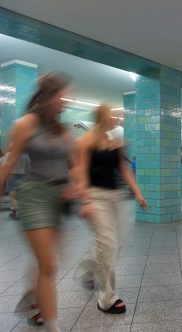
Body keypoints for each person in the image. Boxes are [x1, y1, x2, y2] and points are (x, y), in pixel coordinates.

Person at [0, 73, 76, 332]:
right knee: (49, 265)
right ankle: (52, 325)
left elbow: (74, 166)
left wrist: (77, 188)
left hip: (59, 198)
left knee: (47, 261)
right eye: (62, 96)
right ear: (48, 97)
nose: (66, 102)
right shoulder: (25, 125)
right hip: (34, 196)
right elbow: (8, 164)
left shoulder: (63, 129)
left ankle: (33, 295)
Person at [75, 105, 148, 314]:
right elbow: (80, 172)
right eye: (111, 115)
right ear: (101, 118)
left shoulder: (115, 142)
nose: (115, 119)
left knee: (111, 246)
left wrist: (138, 193)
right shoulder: (84, 142)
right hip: (95, 197)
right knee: (108, 246)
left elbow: (123, 169)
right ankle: (107, 299)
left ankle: (91, 269)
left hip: (114, 198)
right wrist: (85, 201)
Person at [3, 147, 30, 219]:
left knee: (13, 198)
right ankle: (18, 211)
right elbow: (28, 167)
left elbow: (5, 166)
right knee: (20, 197)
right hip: (22, 177)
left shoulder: (9, 155)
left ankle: (18, 213)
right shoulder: (25, 155)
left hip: (12, 176)